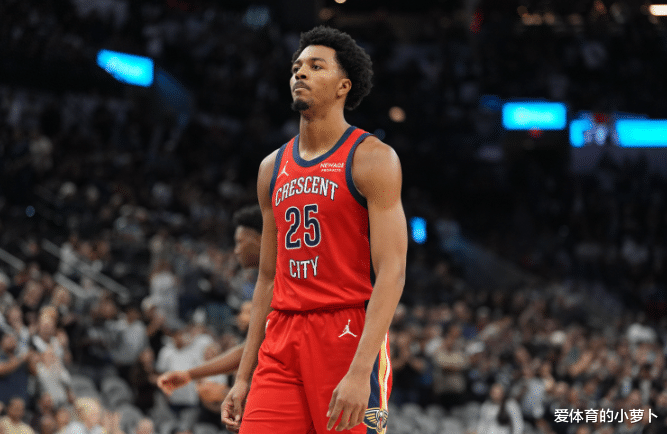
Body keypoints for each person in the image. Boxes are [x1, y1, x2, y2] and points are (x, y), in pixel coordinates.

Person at [221, 25, 407, 434]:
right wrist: (243, 376)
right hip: (282, 335)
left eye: (316, 66)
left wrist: (360, 371)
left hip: (345, 333)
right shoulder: (271, 168)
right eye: (296, 67)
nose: (300, 73)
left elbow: (392, 272)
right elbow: (267, 278)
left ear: (344, 85)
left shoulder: (373, 159)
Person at [155, 205, 262, 401]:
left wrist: (225, 392)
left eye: (240, 242)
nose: (236, 250)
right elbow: (247, 351)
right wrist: (190, 374)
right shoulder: (265, 284)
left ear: (259, 240)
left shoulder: (281, 284)